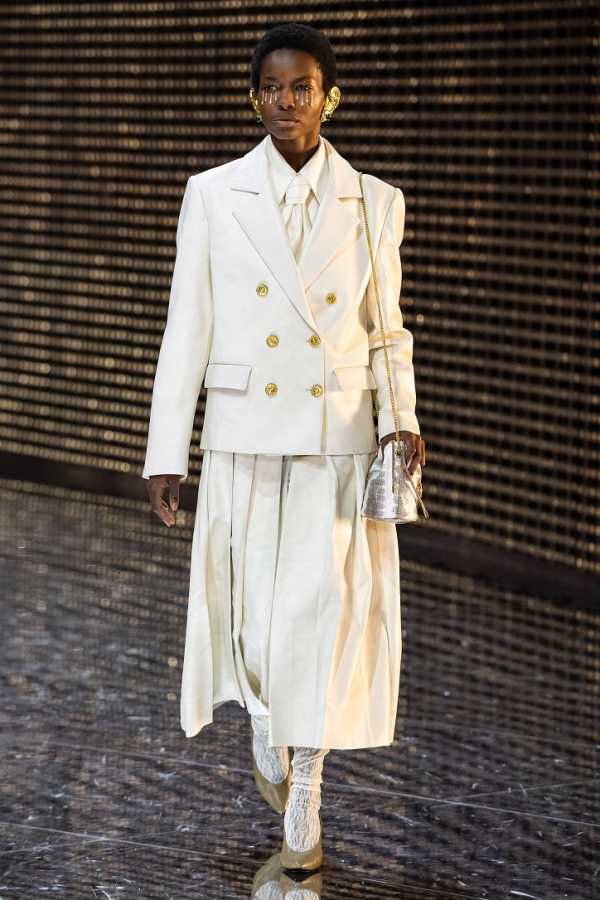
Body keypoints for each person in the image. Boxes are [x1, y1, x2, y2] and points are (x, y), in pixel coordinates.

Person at [142, 22, 426, 873]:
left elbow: (386, 332)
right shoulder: (212, 194)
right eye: (270, 86)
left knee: (321, 622)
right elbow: (186, 327)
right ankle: (266, 723)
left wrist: (402, 420)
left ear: (328, 97)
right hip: (246, 437)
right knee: (253, 625)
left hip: (336, 442)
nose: (285, 100)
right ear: (253, 96)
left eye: (301, 86)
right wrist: (166, 450)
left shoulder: (374, 202)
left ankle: (306, 795)